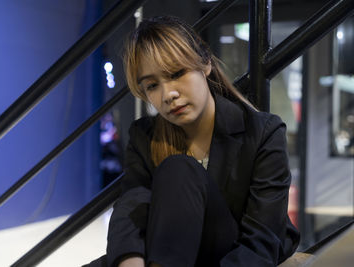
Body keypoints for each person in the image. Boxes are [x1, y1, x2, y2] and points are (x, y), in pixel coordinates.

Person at [86, 15, 300, 267]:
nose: (168, 95)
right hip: (166, 251)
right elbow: (132, 206)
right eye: (152, 86)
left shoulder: (263, 132)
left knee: (180, 169)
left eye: (176, 73)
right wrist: (128, 260)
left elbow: (261, 241)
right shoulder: (145, 135)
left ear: (205, 64)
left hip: (230, 256)